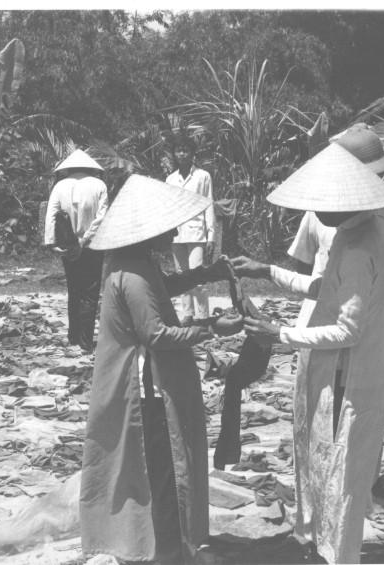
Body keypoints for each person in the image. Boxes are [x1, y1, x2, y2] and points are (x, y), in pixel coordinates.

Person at [231, 141, 384, 564]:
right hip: (333, 360)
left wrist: (278, 334)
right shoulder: (351, 234)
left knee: (343, 466)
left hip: (348, 368)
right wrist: (266, 270)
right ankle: (319, 542)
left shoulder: (360, 246)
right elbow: (321, 286)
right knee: (320, 452)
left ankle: (338, 552)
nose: (319, 210)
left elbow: (347, 329)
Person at [80, 174, 242, 565]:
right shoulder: (132, 274)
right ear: (147, 233)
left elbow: (161, 288)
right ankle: (166, 550)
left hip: (147, 380)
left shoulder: (133, 263)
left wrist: (204, 274)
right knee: (164, 470)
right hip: (145, 388)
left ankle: (165, 544)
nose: (172, 234)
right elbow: (157, 334)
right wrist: (210, 328)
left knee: (161, 468)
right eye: (166, 229)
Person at [288, 123, 384, 328]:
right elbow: (303, 258)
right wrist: (316, 295)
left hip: (369, 320)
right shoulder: (320, 209)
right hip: (318, 317)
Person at [44, 149, 108, 352]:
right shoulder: (100, 185)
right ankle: (85, 340)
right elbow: (102, 217)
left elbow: (51, 214)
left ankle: (73, 336)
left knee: (74, 289)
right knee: (90, 292)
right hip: (92, 245)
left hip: (67, 246)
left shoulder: (60, 186)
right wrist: (86, 238)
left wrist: (51, 242)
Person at [166, 134, 216, 324]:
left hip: (197, 233)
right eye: (178, 150)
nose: (182, 154)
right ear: (174, 154)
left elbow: (208, 204)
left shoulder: (203, 176)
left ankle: (203, 316)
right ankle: (187, 314)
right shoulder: (170, 179)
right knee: (181, 276)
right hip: (176, 234)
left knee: (197, 276)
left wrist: (211, 236)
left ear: (192, 153)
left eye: (185, 150)